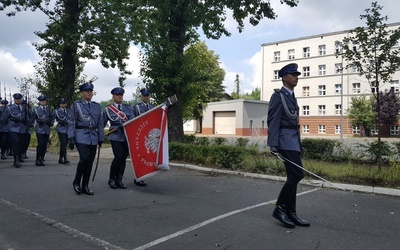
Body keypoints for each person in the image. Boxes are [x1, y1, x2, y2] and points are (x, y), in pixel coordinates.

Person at [267, 63, 310, 228]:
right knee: (297, 174)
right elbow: (273, 120)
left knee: (294, 176)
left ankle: (291, 213)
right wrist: (273, 144)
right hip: (284, 141)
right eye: (293, 75)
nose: (296, 77)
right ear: (284, 77)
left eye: (297, 75)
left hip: (293, 141)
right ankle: (280, 208)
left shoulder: (291, 96)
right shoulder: (278, 96)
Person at [68, 82, 104, 195]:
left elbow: (100, 124)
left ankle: (85, 185)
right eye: (87, 91)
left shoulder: (97, 106)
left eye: (91, 91)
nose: (89, 93)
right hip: (81, 135)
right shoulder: (76, 105)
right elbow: (71, 121)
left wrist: (101, 137)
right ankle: (77, 181)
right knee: (84, 159)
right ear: (82, 93)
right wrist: (71, 137)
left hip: (93, 136)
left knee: (90, 161)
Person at [103, 87, 135, 189]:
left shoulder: (128, 108)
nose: (120, 96)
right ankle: (112, 179)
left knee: (123, 158)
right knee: (118, 157)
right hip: (115, 135)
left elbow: (133, 120)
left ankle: (119, 179)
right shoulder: (108, 109)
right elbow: (102, 123)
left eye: (121, 95)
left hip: (126, 135)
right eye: (117, 95)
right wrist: (99, 136)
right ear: (113, 96)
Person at [132, 87, 155, 186]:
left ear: (150, 96)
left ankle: (143, 175)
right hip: (140, 136)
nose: (146, 97)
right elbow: (133, 121)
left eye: (147, 95)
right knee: (139, 157)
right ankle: (138, 177)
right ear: (141, 96)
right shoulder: (136, 107)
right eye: (144, 96)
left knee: (147, 156)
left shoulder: (153, 107)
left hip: (149, 135)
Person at [2, 93, 29, 167]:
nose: (18, 100)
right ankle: (16, 159)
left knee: (21, 144)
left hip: (22, 128)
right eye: (16, 99)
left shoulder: (24, 108)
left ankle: (19, 156)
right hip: (13, 127)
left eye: (19, 99)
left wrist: (27, 123)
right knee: (15, 143)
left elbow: (27, 117)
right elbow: (4, 118)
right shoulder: (9, 108)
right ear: (14, 100)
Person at [30, 95, 54, 166]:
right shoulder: (36, 110)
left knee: (45, 144)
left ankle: (42, 158)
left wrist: (51, 123)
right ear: (39, 102)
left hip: (46, 129)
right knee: (40, 144)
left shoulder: (49, 110)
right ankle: (38, 159)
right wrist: (30, 125)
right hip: (39, 128)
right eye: (41, 101)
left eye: (44, 101)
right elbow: (32, 118)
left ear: (46, 102)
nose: (43, 102)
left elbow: (52, 118)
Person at [55, 98, 70, 164]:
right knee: (63, 143)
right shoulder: (57, 111)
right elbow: (61, 119)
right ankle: (65, 158)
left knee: (64, 144)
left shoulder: (68, 111)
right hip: (61, 128)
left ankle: (61, 158)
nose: (63, 105)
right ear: (60, 104)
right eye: (62, 103)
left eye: (64, 103)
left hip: (67, 129)